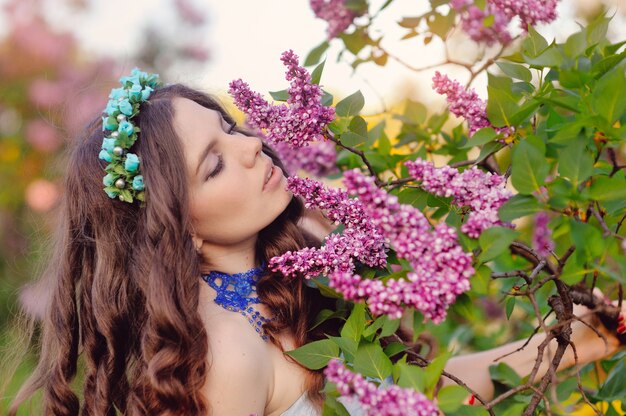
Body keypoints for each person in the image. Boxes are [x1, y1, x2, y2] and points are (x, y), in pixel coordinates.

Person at [5, 69, 625, 416]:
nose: (252, 145)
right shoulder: (222, 360)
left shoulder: (287, 276)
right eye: (214, 165)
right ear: (177, 227)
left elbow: (410, 396)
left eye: (229, 126)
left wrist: (577, 340)